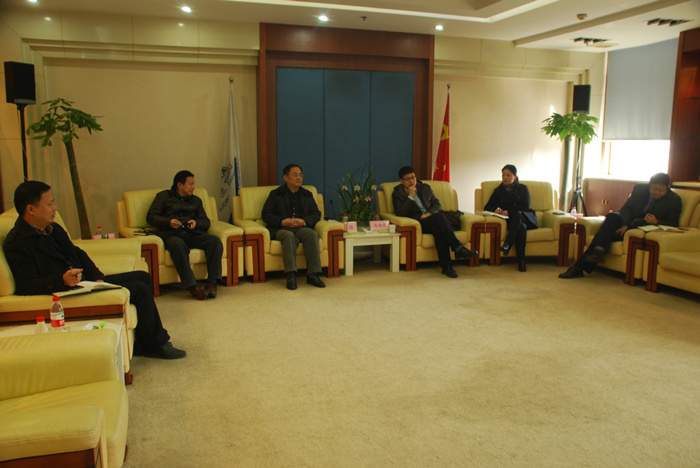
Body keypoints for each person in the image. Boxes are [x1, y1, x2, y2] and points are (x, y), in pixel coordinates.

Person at [4, 181, 186, 359]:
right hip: (65, 293)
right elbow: (25, 285)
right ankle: (157, 344)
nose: (55, 208)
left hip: (84, 283)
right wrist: (62, 280)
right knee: (139, 289)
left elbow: (77, 253)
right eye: (50, 203)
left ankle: (144, 341)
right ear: (31, 209)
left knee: (143, 277)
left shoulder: (52, 228)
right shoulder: (18, 243)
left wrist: (98, 278)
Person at [559, 172, 682, 279]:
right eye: (654, 189)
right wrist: (624, 225)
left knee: (602, 236)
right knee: (612, 217)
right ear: (650, 186)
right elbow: (626, 209)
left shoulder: (674, 200)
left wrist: (657, 221)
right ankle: (596, 251)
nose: (656, 192)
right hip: (627, 221)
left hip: (641, 226)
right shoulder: (640, 189)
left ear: (667, 188)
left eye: (660, 190)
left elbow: (674, 223)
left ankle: (587, 260)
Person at [147, 170, 223, 300]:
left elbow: (206, 222)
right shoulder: (163, 197)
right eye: (190, 184)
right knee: (177, 244)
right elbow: (151, 217)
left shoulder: (196, 201)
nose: (193, 187)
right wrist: (168, 222)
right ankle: (192, 287)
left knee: (214, 241)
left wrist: (196, 223)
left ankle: (212, 283)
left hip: (192, 234)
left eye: (194, 184)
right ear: (180, 185)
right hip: (172, 235)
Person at [392, 166, 478, 278]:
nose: (412, 181)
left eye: (413, 177)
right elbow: (400, 212)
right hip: (419, 223)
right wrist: (410, 196)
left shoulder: (425, 187)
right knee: (439, 219)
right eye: (408, 179)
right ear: (401, 181)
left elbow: (437, 204)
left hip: (432, 218)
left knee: (438, 228)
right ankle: (458, 248)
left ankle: (447, 267)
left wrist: (429, 214)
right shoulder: (397, 193)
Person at [262, 163, 326, 290]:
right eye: (295, 175)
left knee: (312, 234)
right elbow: (266, 214)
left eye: (301, 175)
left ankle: (313, 274)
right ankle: (290, 275)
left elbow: (316, 213)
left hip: (301, 227)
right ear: (286, 177)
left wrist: (304, 221)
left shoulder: (307, 194)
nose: (299, 178)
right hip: (281, 228)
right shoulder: (276, 194)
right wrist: (282, 221)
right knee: (288, 236)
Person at [483, 164, 538, 272]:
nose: (505, 178)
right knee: (521, 228)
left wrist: (509, 212)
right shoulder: (498, 191)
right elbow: (487, 207)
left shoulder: (522, 188)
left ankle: (508, 243)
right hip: (512, 222)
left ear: (515, 177)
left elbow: (525, 206)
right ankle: (521, 262)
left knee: (518, 215)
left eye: (508, 175)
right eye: (503, 175)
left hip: (526, 217)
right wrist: (495, 209)